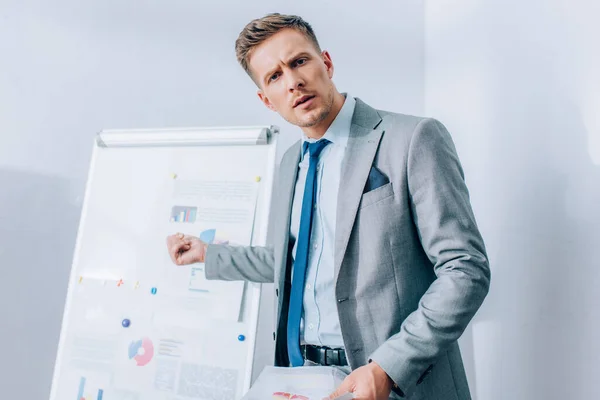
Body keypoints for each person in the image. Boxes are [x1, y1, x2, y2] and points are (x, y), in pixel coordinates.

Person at [166, 13, 490, 400]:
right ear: (266, 100)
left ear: (327, 63)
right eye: (275, 77)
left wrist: (388, 366)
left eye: (299, 61)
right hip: (304, 380)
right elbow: (300, 262)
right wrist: (209, 255)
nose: (293, 82)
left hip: (394, 383)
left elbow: (465, 270)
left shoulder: (412, 138)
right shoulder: (290, 162)